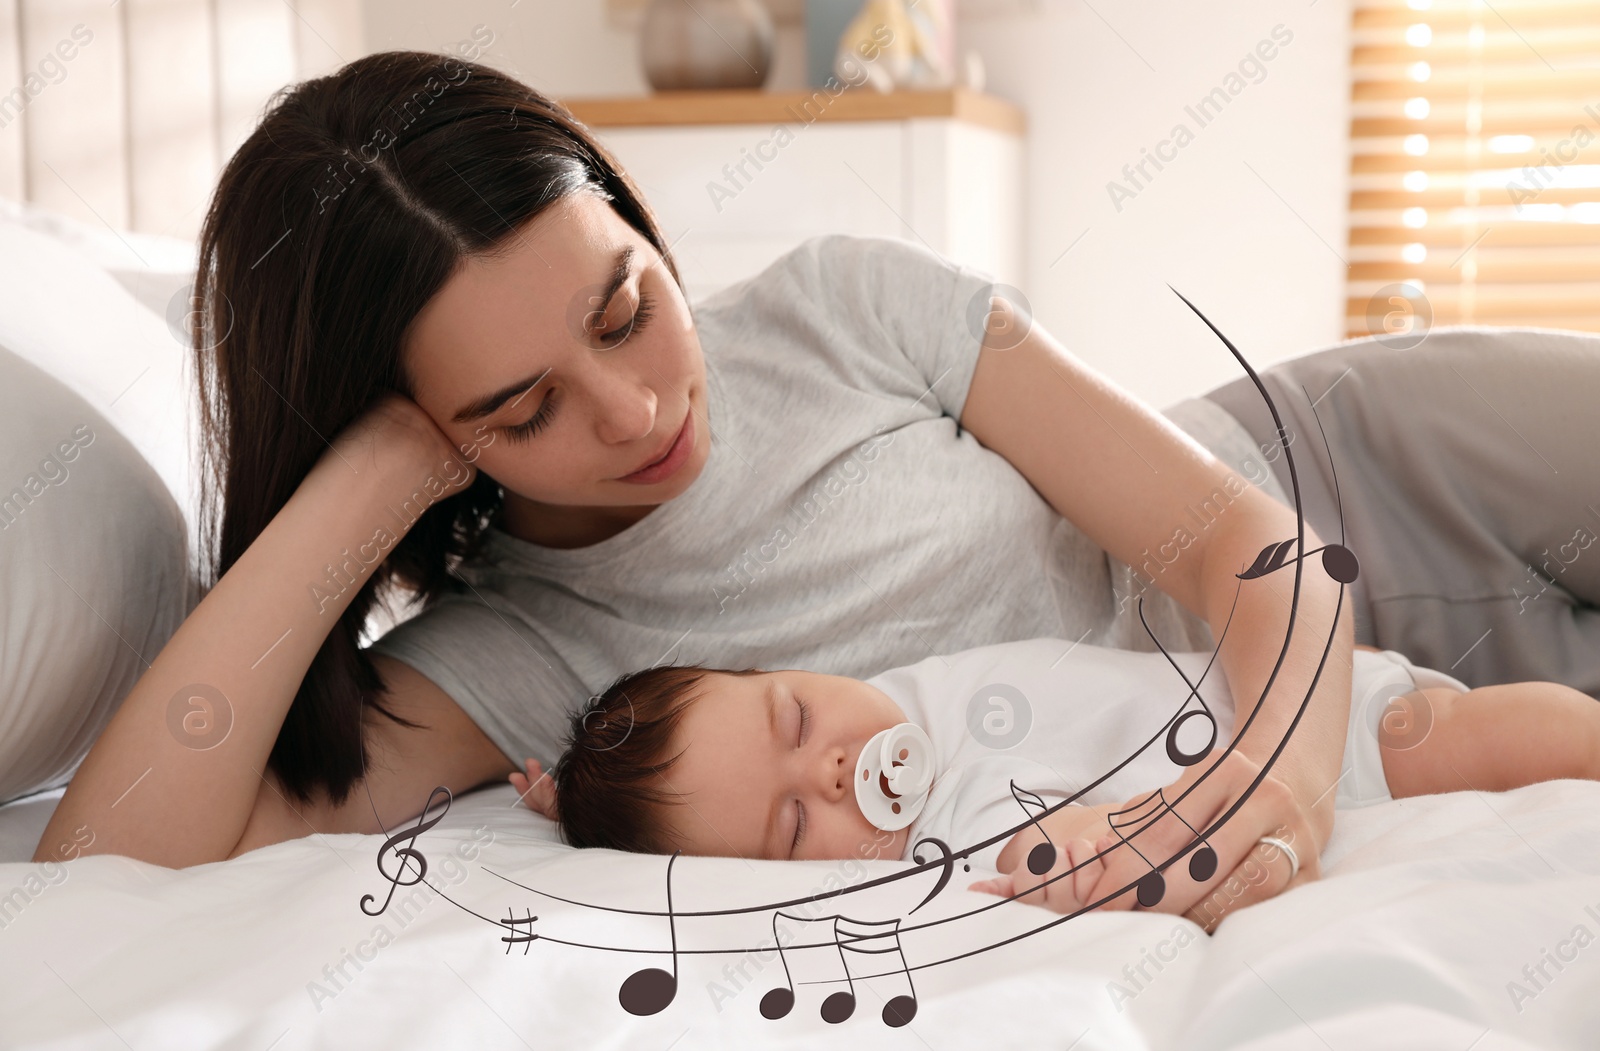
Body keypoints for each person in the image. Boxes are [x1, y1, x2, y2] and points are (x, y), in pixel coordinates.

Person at [24, 46, 1547, 934]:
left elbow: (1227, 530)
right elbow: (103, 876)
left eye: (622, 305)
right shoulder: (512, 661)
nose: (635, 412)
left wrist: (1275, 783)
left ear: (630, 212)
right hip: (1403, 702)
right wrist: (363, 485)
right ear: (426, 433)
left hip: (1346, 482)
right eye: (520, 404)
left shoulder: (841, 300)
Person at [515, 635, 1600, 932]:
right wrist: (580, 803)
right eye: (794, 821)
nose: (833, 766)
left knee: (1491, 731)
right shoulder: (918, 871)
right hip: (1222, 826)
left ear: (781, 668)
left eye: (797, 718)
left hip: (1320, 724)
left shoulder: (910, 689)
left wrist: (591, 773)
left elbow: (690, 761)